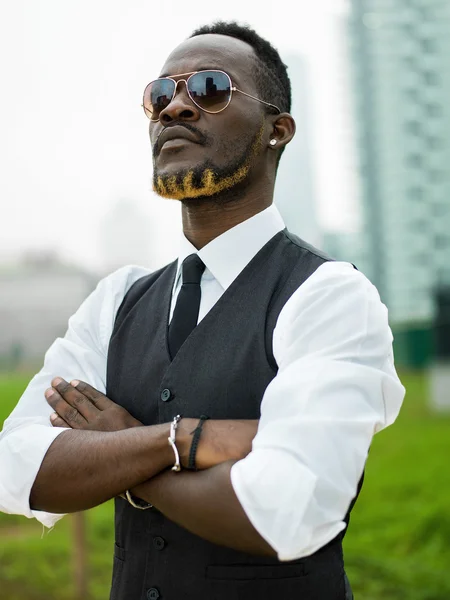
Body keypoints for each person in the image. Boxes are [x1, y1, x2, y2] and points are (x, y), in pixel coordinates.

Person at [0, 21, 405, 600]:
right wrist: (184, 440)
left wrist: (124, 445)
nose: (175, 109)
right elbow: (18, 469)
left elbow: (284, 512)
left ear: (277, 131)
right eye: (160, 95)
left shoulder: (329, 296)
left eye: (210, 89)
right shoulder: (118, 300)